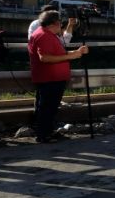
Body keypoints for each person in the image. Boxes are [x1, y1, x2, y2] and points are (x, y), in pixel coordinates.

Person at [27, 11, 89, 143]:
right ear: (55, 23)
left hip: (51, 78)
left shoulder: (46, 34)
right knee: (47, 108)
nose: (61, 26)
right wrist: (71, 56)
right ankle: (43, 134)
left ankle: (47, 132)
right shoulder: (44, 35)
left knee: (48, 107)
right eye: (60, 23)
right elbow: (45, 58)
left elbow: (57, 53)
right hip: (50, 78)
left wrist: (76, 52)